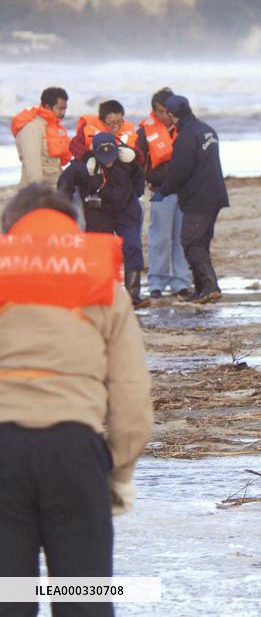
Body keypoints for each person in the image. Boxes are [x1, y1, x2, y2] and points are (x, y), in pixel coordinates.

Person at [0, 183, 153, 616]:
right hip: (74, 453)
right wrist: (120, 472)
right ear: (72, 229)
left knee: (8, 600)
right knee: (82, 601)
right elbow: (130, 391)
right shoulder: (103, 284)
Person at [58, 132, 148, 308]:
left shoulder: (127, 160)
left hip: (126, 210)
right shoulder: (82, 167)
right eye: (103, 157)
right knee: (99, 252)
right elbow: (64, 183)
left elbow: (139, 177)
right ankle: (100, 293)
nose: (108, 161)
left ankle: (133, 294)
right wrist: (64, 205)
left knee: (132, 247)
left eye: (111, 156)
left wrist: (135, 196)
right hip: (98, 214)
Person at [156, 95, 229, 304]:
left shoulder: (186, 137)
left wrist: (164, 190)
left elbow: (179, 171)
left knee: (191, 241)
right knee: (201, 242)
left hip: (199, 198)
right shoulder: (207, 130)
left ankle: (210, 286)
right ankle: (201, 289)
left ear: (172, 115)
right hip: (215, 194)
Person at [137, 87, 193, 300]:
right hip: (161, 191)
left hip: (185, 191)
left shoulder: (187, 129)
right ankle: (157, 282)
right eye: (161, 111)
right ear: (154, 111)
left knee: (182, 238)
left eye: (168, 111)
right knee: (159, 238)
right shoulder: (144, 133)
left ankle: (181, 282)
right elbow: (138, 162)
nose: (165, 116)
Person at [11, 86, 71, 188]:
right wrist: (40, 194)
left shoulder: (53, 126)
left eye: (64, 109)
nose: (63, 113)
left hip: (56, 183)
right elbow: (32, 165)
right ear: (47, 107)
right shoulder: (32, 127)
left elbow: (57, 163)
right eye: (59, 108)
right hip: (37, 189)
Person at [69, 100, 140, 161]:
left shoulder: (128, 128)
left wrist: (134, 155)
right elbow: (74, 145)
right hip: (93, 165)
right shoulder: (89, 126)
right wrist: (88, 157)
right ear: (102, 120)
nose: (116, 125)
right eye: (112, 122)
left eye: (119, 121)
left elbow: (141, 155)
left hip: (119, 168)